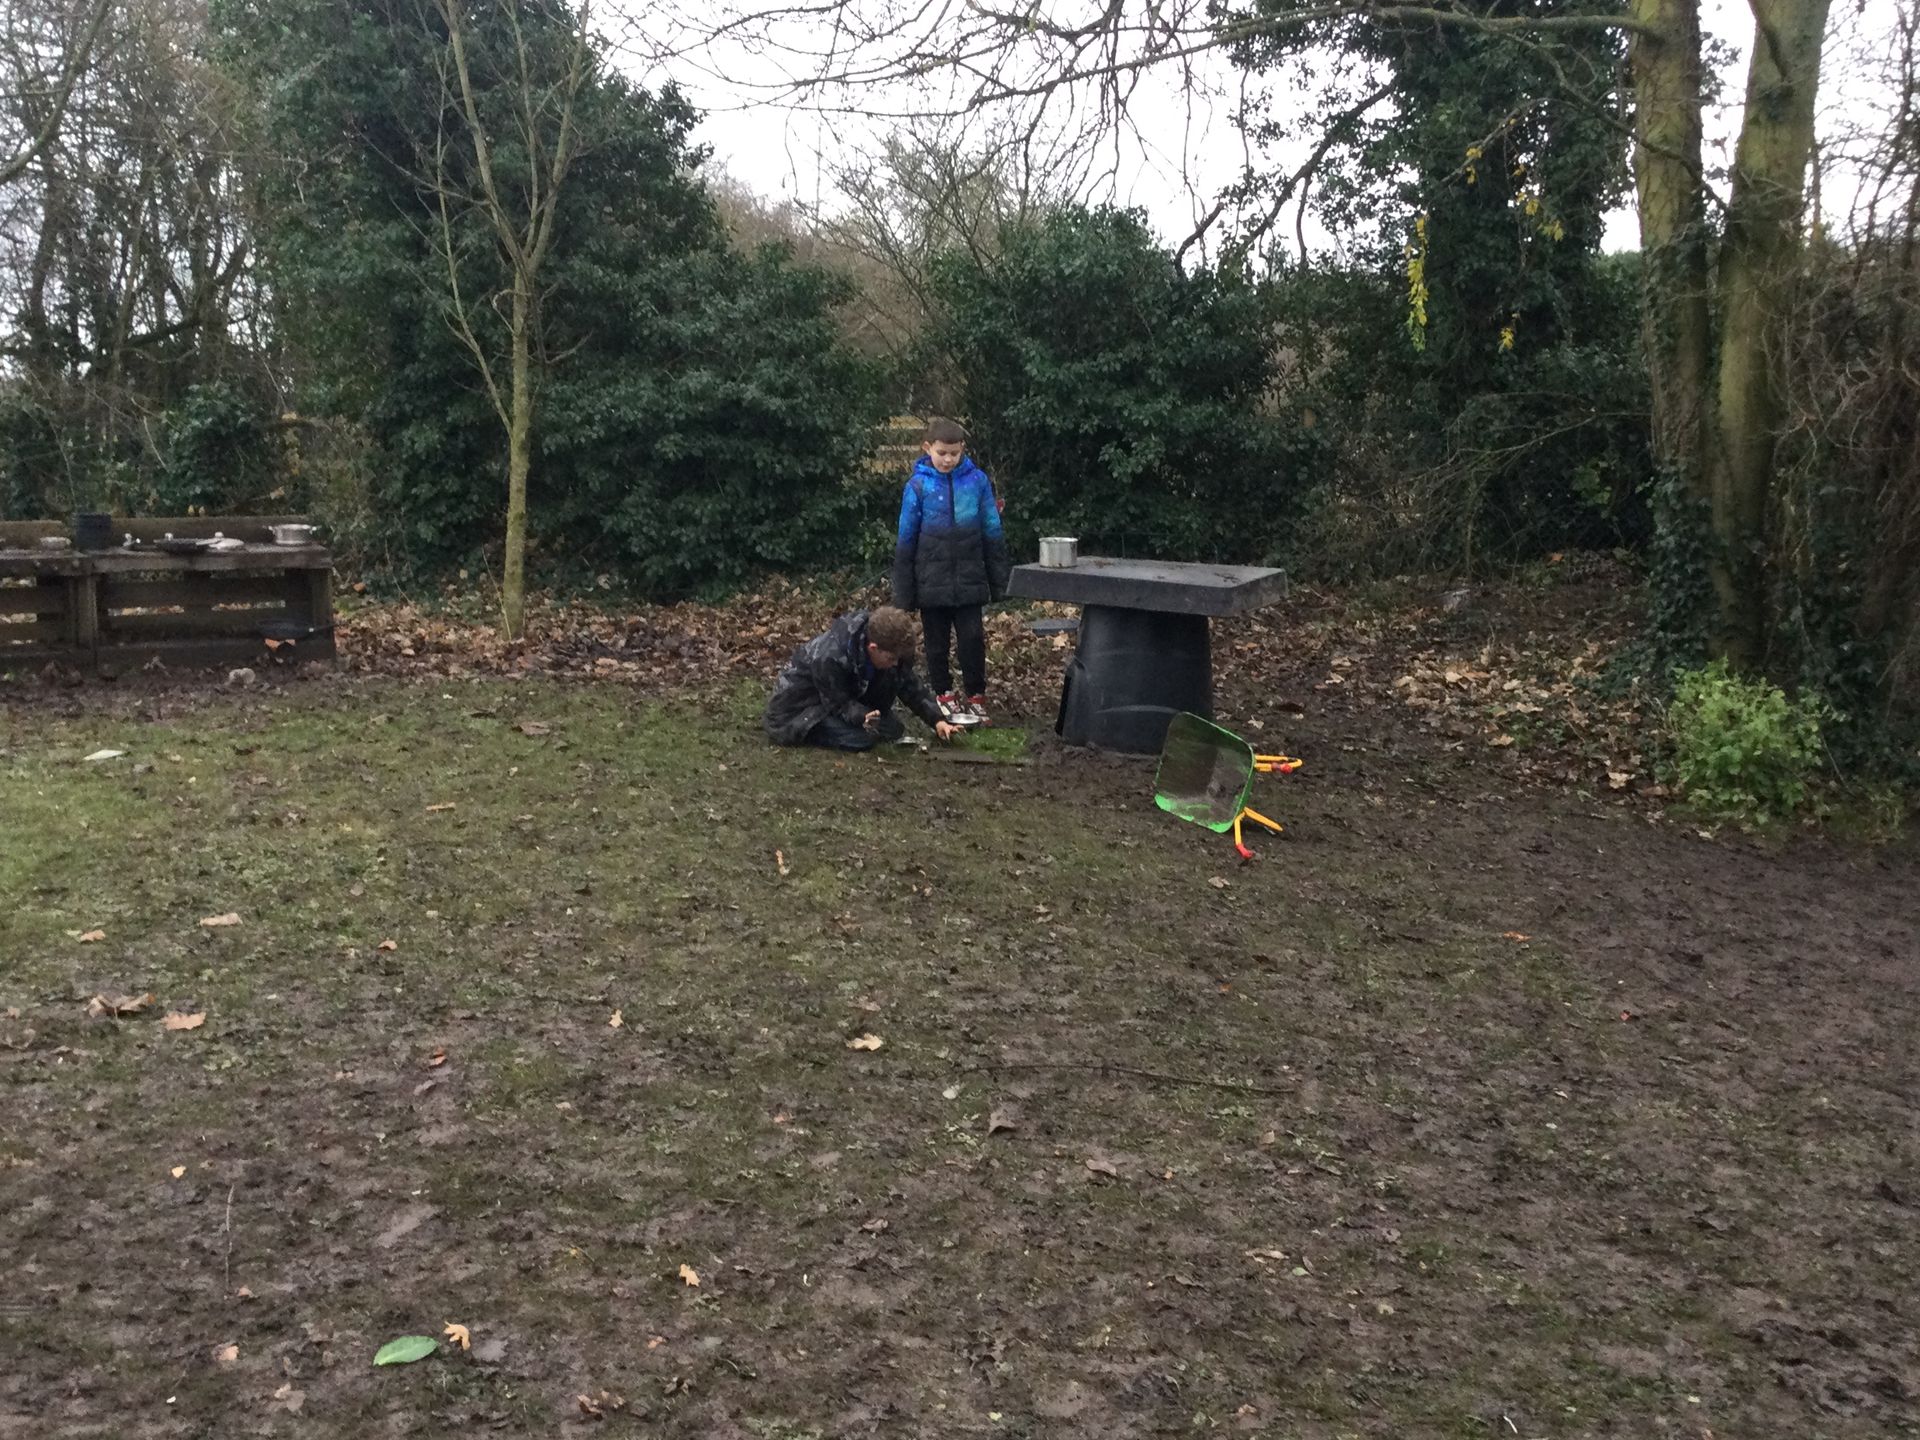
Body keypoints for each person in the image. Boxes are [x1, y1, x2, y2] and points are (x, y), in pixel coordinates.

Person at [892, 417, 1011, 725]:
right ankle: (943, 695)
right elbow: (905, 540)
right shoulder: (917, 486)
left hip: (970, 579)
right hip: (930, 582)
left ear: (962, 450)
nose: (948, 459)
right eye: (942, 453)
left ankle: (976, 697)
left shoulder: (977, 482)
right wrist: (904, 595)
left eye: (954, 454)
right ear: (927, 448)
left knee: (973, 639)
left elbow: (992, 531)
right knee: (936, 644)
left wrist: (999, 582)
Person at [764, 604, 961, 751]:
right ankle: (811, 734)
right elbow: (838, 702)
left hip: (843, 700)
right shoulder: (830, 658)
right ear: (873, 648)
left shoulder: (890, 652)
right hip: (800, 708)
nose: (895, 664)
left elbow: (910, 685)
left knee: (893, 729)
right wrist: (862, 716)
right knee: (861, 739)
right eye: (891, 659)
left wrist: (938, 720)